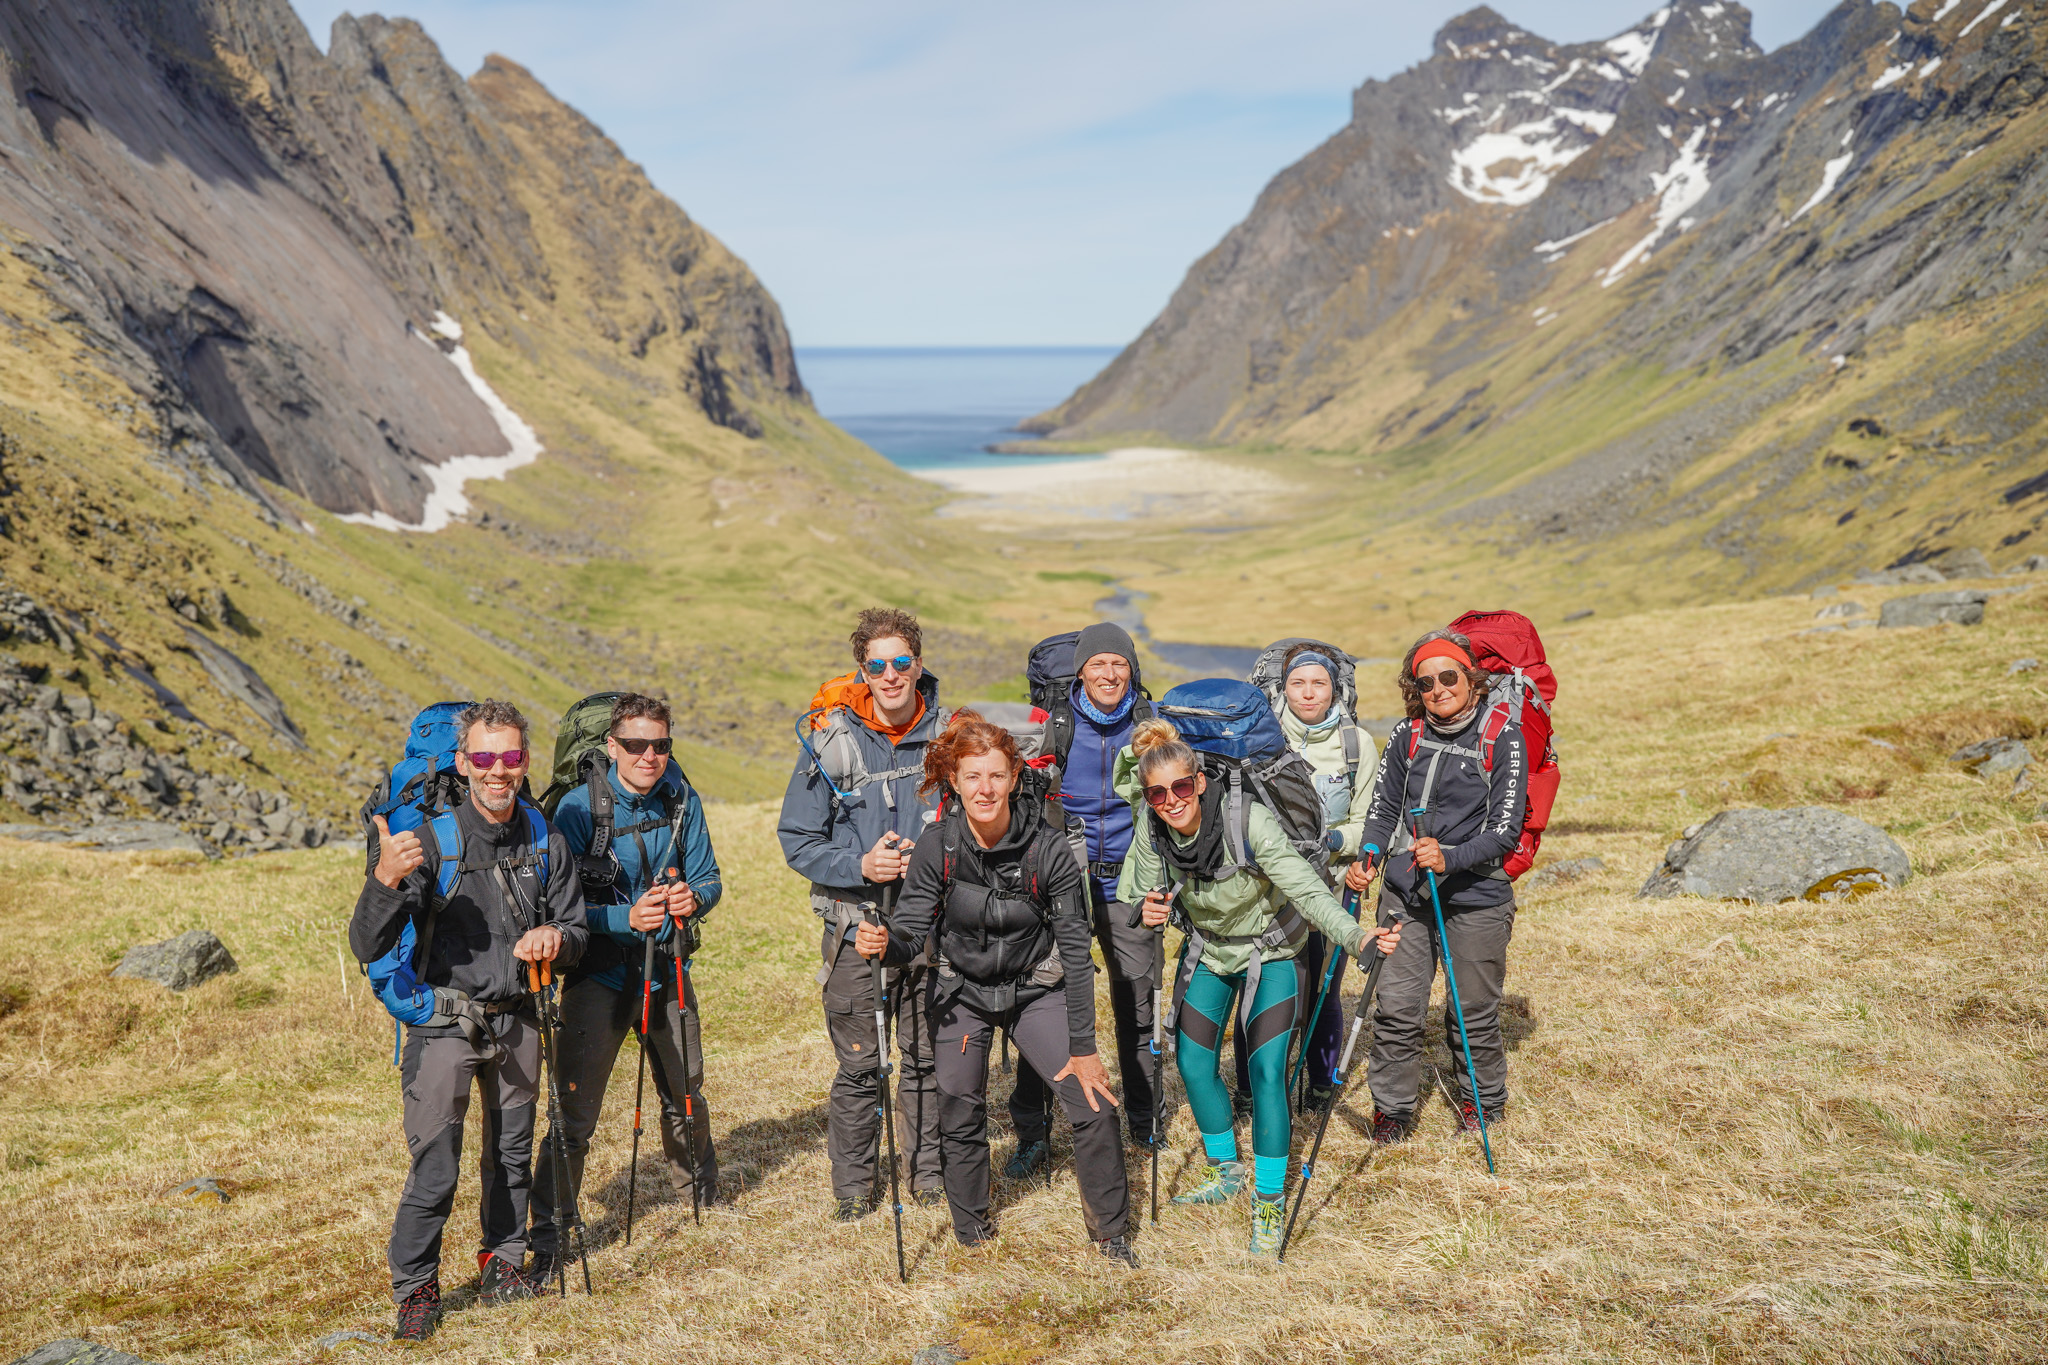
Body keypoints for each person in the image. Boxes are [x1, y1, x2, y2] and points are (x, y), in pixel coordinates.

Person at [854, 710, 1137, 1265]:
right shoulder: (938, 844)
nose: (985, 789)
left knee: (1095, 1103)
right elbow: (911, 931)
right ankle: (971, 1228)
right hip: (962, 991)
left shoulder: (1048, 847)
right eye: (972, 777)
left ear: (1013, 777)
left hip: (1038, 989)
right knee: (958, 1104)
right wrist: (885, 942)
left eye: (996, 776)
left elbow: (1077, 955)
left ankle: (1110, 1234)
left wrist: (1084, 1049)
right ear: (954, 782)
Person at [349, 700, 587, 1342]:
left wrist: (556, 942)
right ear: (463, 762)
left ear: (524, 761)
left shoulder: (545, 838)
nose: (497, 771)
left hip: (520, 1022)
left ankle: (502, 1263)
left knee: (510, 1155)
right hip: (443, 1028)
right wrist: (383, 881)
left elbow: (577, 930)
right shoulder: (430, 843)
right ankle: (416, 1288)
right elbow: (367, 945)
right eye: (483, 758)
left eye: (509, 757)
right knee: (436, 1166)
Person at [1120, 718, 1398, 1256]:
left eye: (1180, 788)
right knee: (1194, 1064)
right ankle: (1226, 1170)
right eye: (1158, 793)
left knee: (1267, 1070)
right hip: (1209, 948)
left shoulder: (1249, 822)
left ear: (1199, 782)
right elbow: (1134, 887)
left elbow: (1306, 887)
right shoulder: (1151, 826)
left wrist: (1356, 936)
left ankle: (1268, 1201)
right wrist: (1145, 907)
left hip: (1272, 950)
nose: (1171, 801)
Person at [528, 693, 722, 1275]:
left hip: (667, 971)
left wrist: (695, 900)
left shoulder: (683, 798)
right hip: (597, 977)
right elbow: (556, 912)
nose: (649, 756)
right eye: (636, 745)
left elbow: (709, 877)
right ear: (611, 747)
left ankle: (701, 1194)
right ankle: (550, 1233)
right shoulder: (576, 812)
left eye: (660, 745)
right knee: (573, 1119)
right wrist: (622, 919)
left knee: (686, 1094)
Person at [777, 607, 944, 1218]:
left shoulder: (949, 736)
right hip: (855, 926)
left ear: (918, 665)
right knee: (860, 1066)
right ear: (862, 672)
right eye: (877, 665)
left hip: (929, 929)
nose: (891, 675)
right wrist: (860, 867)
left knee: (926, 1059)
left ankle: (927, 1178)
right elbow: (797, 837)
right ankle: (853, 1190)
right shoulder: (830, 741)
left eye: (902, 662)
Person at [1356, 628, 1526, 1142]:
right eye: (1424, 682)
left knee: (1471, 1013)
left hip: (1475, 899)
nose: (1438, 689)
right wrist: (1369, 853)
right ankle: (1393, 1110)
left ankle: (1480, 1105)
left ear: (1471, 681)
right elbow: (1384, 807)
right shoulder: (1407, 737)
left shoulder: (1504, 736)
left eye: (1448, 676)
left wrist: (1450, 858)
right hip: (1406, 896)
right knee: (1397, 1010)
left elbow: (1506, 831)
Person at [1006, 621, 1160, 1175]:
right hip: (1060, 883)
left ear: (1131, 669)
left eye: (1119, 664)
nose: (1110, 674)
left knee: (1137, 1000)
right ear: (1081, 671)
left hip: (1129, 883)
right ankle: (1033, 1132)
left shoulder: (1151, 724)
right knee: (1042, 1001)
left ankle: (1145, 1118)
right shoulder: (1050, 725)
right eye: (1099, 664)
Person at [1236, 644, 1380, 1112]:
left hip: (1332, 889)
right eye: (1298, 683)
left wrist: (1335, 844)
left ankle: (1320, 1084)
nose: (1308, 692)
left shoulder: (1358, 744)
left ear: (1335, 688)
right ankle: (1254, 1086)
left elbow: (1370, 821)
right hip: (1266, 892)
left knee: (1323, 988)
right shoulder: (1261, 738)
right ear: (1283, 688)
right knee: (1259, 987)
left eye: (1319, 683)